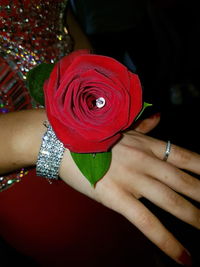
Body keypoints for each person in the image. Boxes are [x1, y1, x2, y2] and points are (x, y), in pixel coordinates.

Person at [0, 1, 199, 266]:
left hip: (117, 146)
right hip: (29, 187)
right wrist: (50, 138)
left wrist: (101, 99)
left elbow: (63, 23)